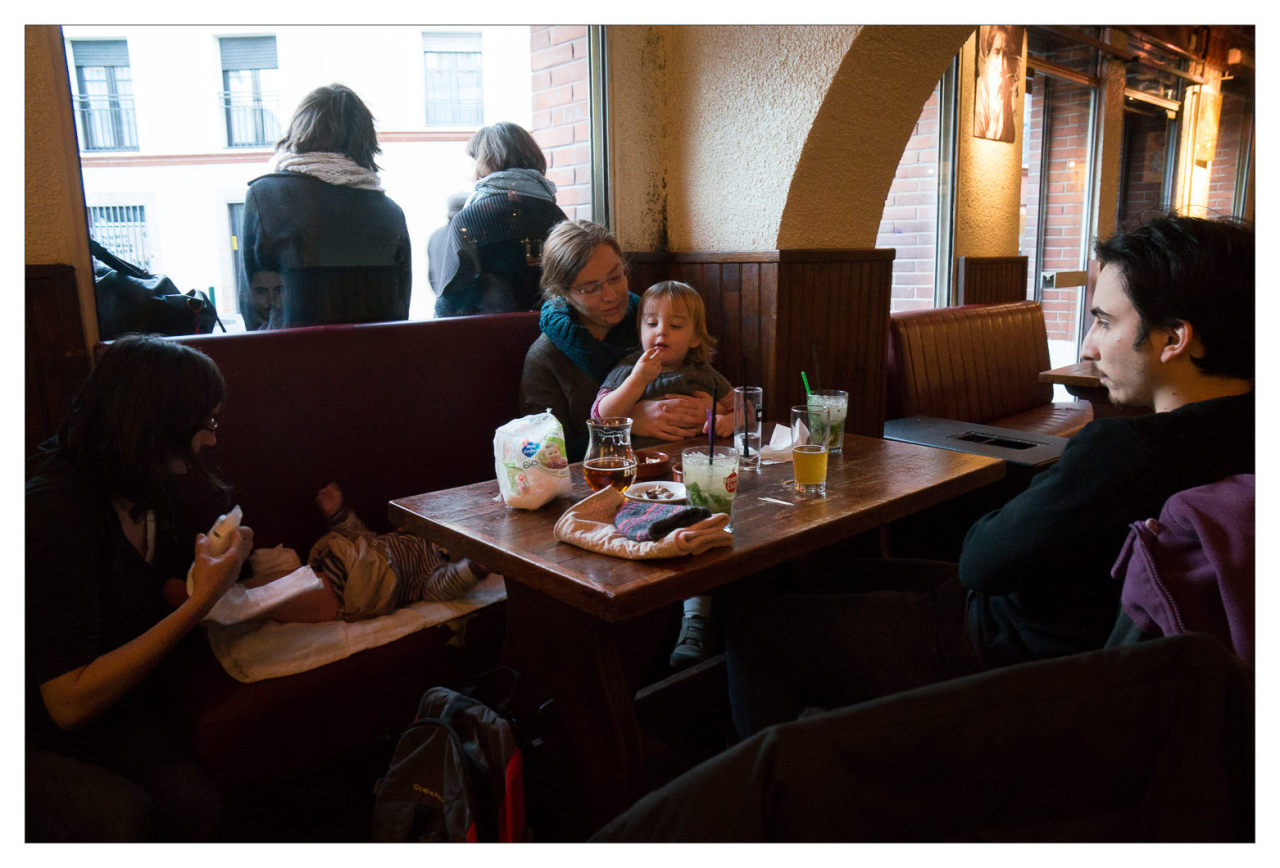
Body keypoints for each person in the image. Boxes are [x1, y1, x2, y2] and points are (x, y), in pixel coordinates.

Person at [725, 213, 1255, 738]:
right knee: (834, 577)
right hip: (1116, 664)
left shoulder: (1128, 452)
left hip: (1013, 659)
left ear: (1174, 338)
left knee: (758, 629)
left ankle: (794, 780)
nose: (1089, 346)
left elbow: (981, 564)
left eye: (1105, 321)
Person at [26, 334, 252, 841]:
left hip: (119, 707)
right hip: (38, 726)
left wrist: (229, 573)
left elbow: (154, 586)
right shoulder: (55, 513)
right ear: (158, 423)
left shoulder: (150, 483)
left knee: (196, 805)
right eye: (207, 423)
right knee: (126, 819)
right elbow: (67, 702)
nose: (212, 439)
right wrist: (201, 602)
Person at [596, 281, 735, 669]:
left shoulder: (705, 375)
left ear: (695, 338)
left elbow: (742, 407)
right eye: (651, 323)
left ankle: (696, 616)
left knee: (700, 528)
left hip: (692, 477)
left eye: (675, 326)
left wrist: (726, 419)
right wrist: (638, 380)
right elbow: (603, 415)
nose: (661, 332)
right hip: (642, 481)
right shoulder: (629, 369)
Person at [518, 219, 714, 463]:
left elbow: (703, 376)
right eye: (590, 288)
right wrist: (626, 426)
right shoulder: (545, 359)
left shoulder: (656, 326)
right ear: (563, 292)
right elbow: (545, 456)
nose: (611, 296)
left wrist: (710, 407)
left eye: (615, 277)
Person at [181, 483, 490, 623]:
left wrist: (473, 568)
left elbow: (445, 586)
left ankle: (203, 605)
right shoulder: (407, 537)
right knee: (280, 580)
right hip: (341, 562)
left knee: (274, 601)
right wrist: (338, 513)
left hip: (354, 590)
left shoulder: (433, 569)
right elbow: (363, 538)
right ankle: (207, 596)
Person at [240, 84, 411, 329]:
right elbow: (400, 310)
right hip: (372, 351)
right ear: (364, 139)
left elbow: (253, 306)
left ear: (301, 130)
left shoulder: (264, 196)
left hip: (292, 350)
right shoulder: (391, 213)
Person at [434, 122, 568, 317]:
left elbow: (452, 302)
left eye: (473, 162)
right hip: (548, 328)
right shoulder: (555, 215)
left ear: (484, 163)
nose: (470, 174)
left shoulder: (470, 219)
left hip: (488, 329)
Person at [974, 26, 1017, 142]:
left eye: (1005, 54)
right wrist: (994, 121)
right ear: (987, 54)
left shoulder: (1008, 90)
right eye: (997, 52)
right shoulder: (980, 89)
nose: (1001, 63)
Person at [427, 191, 470, 297]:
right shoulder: (468, 236)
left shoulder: (435, 236)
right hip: (465, 303)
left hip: (442, 301)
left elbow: (431, 276)